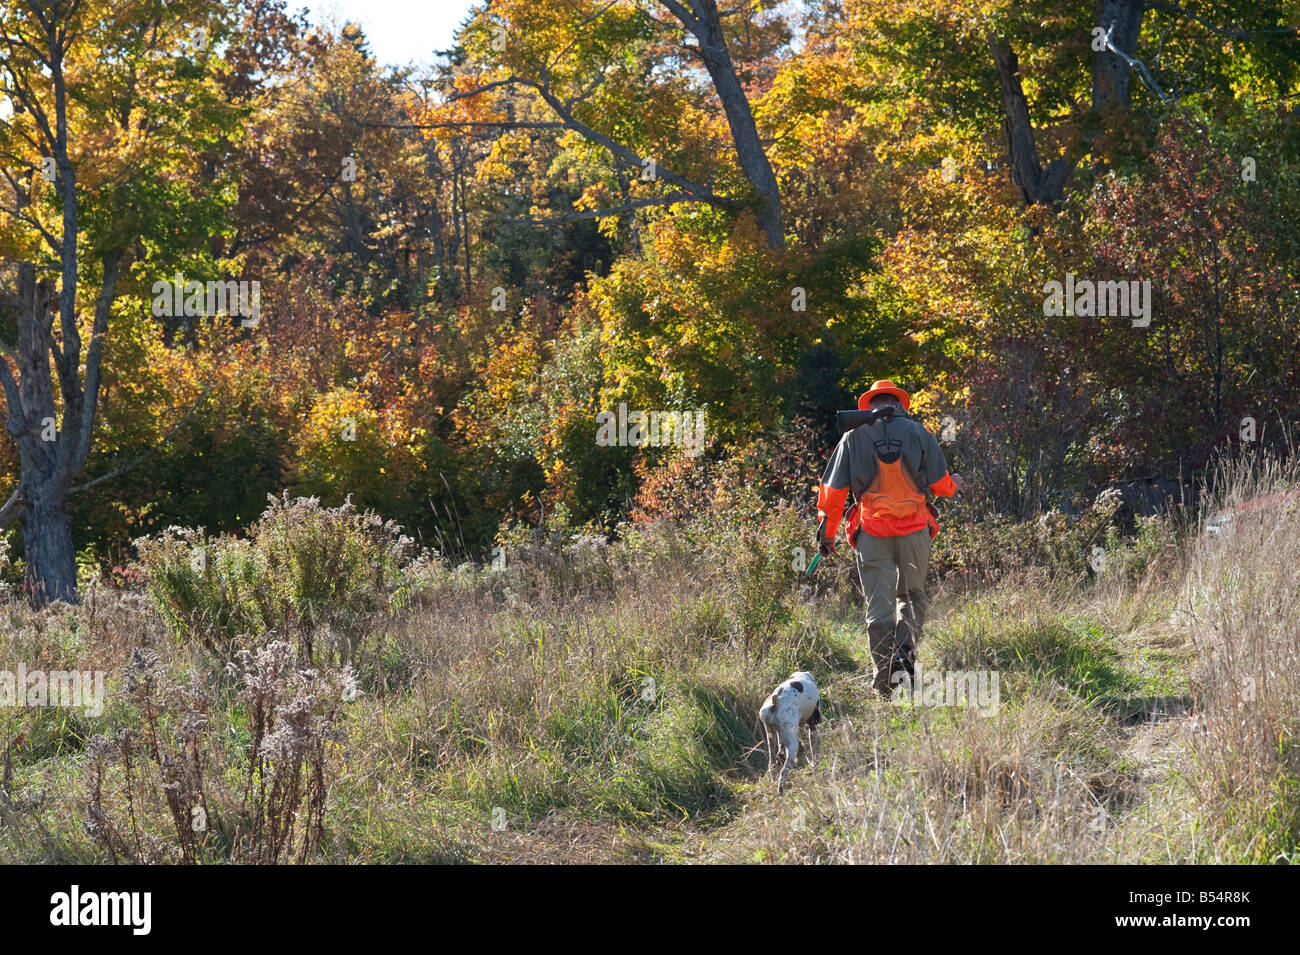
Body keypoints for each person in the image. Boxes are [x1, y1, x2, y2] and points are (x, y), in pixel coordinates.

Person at [815, 380, 962, 697]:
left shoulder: (852, 436)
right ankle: (904, 667)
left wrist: (828, 536)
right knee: (911, 597)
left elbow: (833, 493)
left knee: (878, 608)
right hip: (915, 533)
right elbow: (939, 485)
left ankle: (884, 683)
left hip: (873, 533)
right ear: (900, 405)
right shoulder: (920, 433)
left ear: (868, 406)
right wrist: (955, 483)